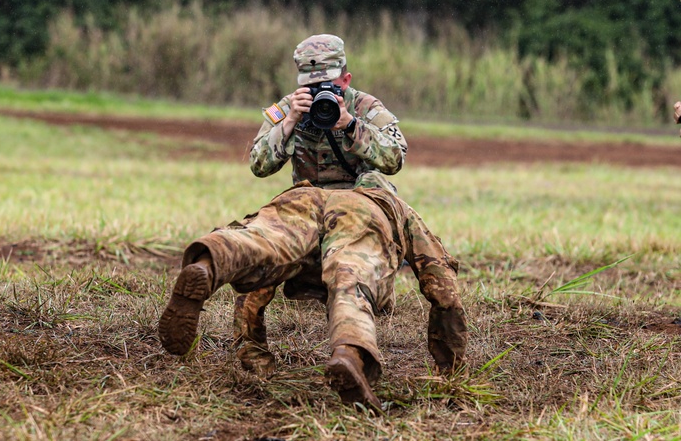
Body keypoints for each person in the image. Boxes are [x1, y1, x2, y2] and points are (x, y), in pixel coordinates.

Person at [157, 35, 467, 410]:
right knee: (350, 273)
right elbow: (259, 165)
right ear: (300, 84)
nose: (321, 94)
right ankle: (350, 353)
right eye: (312, 86)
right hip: (343, 206)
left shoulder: (366, 108)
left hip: (338, 200)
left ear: (346, 81)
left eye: (329, 87)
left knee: (262, 244)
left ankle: (211, 262)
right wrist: (289, 120)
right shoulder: (291, 108)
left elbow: (394, 158)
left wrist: (349, 124)